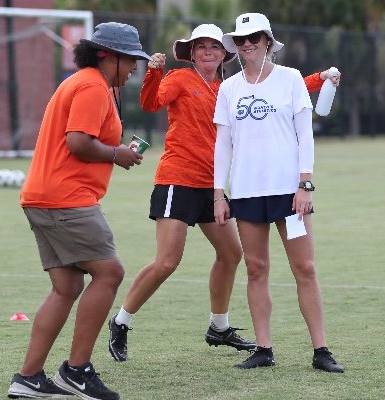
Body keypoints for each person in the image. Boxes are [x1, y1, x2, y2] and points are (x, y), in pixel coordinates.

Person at [107, 23, 338, 363]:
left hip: (212, 185)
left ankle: (219, 327)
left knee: (231, 255)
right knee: (168, 261)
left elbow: (282, 89)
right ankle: (121, 320)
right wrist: (154, 72)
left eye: (214, 47)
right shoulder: (178, 79)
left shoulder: (228, 87)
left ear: (224, 54)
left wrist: (322, 78)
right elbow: (151, 102)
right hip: (178, 180)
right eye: (201, 47)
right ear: (191, 53)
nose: (208, 52)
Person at [7, 22, 151, 400]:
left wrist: (114, 151)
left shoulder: (85, 82)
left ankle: (28, 378)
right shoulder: (91, 85)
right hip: (66, 198)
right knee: (110, 273)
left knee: (68, 285)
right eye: (130, 59)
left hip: (43, 196)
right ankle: (76, 371)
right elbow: (78, 143)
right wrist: (117, 154)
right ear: (107, 55)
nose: (134, 66)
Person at [213, 13, 344, 373]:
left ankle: (321, 350)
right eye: (240, 39)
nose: (247, 44)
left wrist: (305, 184)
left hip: (290, 193)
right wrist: (217, 193)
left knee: (305, 267)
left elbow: (306, 135)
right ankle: (263, 349)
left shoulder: (290, 80)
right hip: (246, 192)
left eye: (254, 37)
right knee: (256, 269)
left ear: (268, 41)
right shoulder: (229, 88)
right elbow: (222, 144)